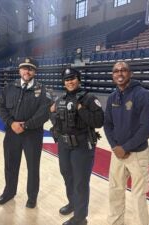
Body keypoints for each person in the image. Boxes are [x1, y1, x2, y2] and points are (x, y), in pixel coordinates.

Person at [50, 68, 104, 225]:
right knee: (67, 176)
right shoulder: (61, 99)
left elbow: (98, 121)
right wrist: (52, 113)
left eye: (72, 78)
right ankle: (73, 204)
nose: (70, 81)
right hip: (64, 145)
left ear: (78, 79)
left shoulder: (89, 99)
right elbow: (54, 117)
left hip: (82, 146)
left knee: (80, 181)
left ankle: (80, 218)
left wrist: (80, 109)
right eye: (66, 79)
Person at [0, 57, 51, 208]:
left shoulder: (43, 90)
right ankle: (9, 192)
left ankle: (32, 197)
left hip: (32, 135)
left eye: (30, 68)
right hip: (12, 133)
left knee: (33, 167)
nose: (27, 71)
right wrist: (11, 123)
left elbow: (44, 113)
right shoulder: (9, 88)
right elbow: (0, 107)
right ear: (20, 70)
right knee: (10, 165)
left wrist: (26, 125)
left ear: (35, 72)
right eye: (24, 68)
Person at [104, 61, 149, 225]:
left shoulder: (142, 94)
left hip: (137, 154)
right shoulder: (112, 96)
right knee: (115, 191)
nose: (119, 73)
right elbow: (108, 125)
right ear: (113, 75)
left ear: (130, 73)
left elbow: (147, 128)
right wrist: (115, 147)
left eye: (123, 70)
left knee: (138, 195)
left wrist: (125, 147)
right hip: (117, 153)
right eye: (116, 71)